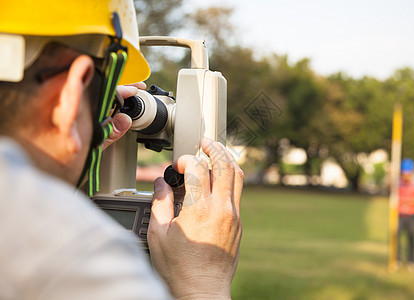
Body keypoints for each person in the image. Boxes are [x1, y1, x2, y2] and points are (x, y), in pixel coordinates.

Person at [0, 1, 243, 299]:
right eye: (104, 101)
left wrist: (58, 161)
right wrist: (202, 283)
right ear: (69, 96)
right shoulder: (76, 256)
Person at [397, 158, 414, 272]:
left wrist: (405, 202)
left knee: (412, 238)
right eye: (404, 173)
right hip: (399, 215)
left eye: (407, 173)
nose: (405, 176)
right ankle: (397, 259)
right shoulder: (398, 183)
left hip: (412, 214)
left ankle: (412, 261)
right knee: (396, 237)